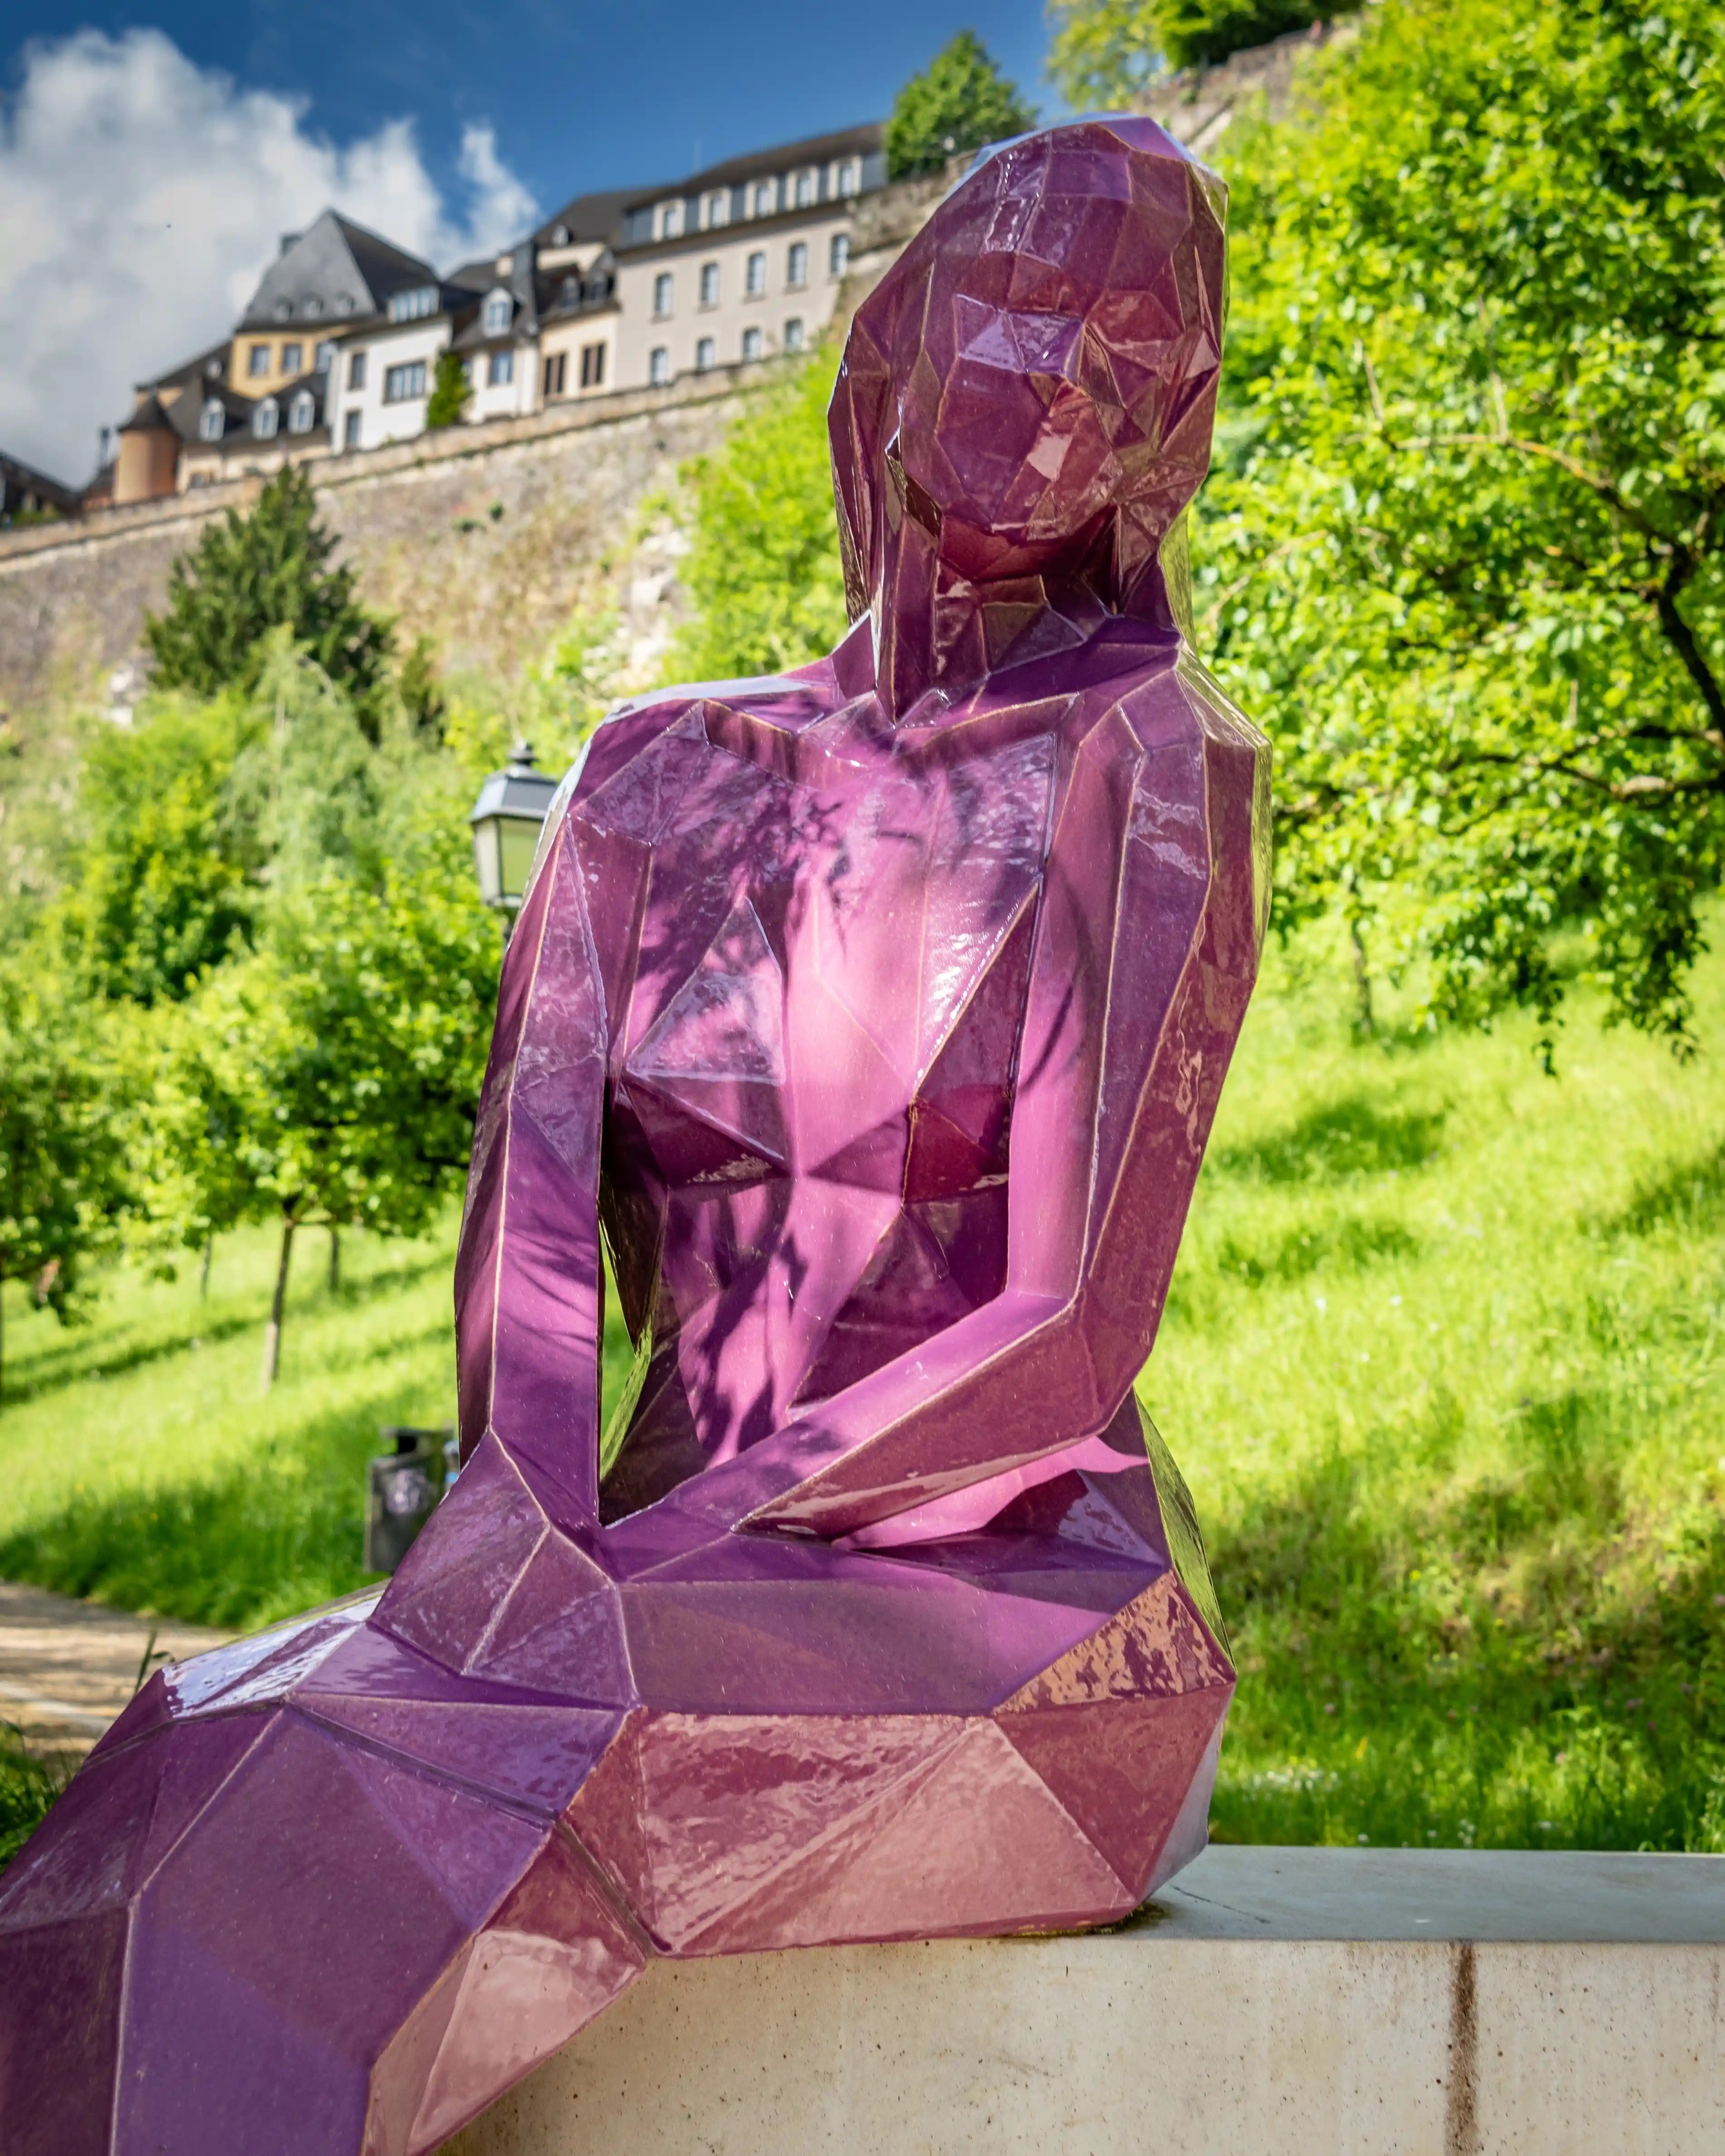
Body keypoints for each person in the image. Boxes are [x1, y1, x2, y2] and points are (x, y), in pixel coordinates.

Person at [0, 116, 1267, 2156]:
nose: (1068, 386)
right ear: (900, 334)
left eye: (1138, 358)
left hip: (1011, 1586)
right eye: (1026, 304)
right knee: (200, 1743)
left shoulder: (1148, 759)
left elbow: (1067, 1324)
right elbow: (525, 1231)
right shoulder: (652, 771)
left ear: (1174, 435)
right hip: (617, 1577)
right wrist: (523, 1526)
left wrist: (641, 1560)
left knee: (395, 1780)